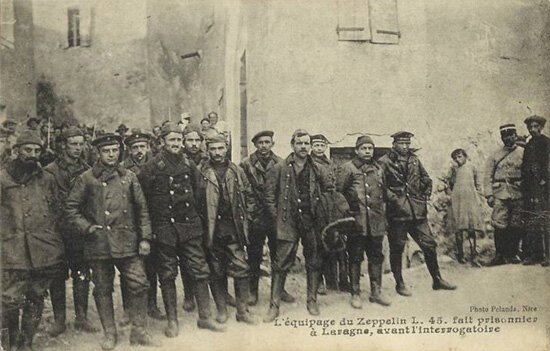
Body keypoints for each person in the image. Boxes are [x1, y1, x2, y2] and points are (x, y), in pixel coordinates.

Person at [65, 133, 157, 350]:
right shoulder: (87, 178)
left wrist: (144, 237)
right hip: (99, 242)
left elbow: (142, 209)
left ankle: (139, 330)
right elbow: (70, 208)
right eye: (106, 151)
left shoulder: (129, 177)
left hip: (128, 241)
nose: (111, 155)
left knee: (139, 284)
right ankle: (110, 333)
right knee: (103, 289)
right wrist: (87, 227)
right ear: (98, 153)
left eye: (115, 150)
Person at [138, 123, 225, 337]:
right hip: (164, 229)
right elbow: (144, 202)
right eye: (172, 140)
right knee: (167, 274)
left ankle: (205, 317)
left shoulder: (188, 164)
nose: (176, 144)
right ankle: (172, 321)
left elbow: (197, 193)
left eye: (179, 140)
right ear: (163, 143)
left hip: (189, 227)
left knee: (200, 270)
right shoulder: (150, 167)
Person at [1, 130, 64, 351]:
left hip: (41, 250)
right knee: (9, 300)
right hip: (11, 250)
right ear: (16, 151)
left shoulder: (47, 179)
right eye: (28, 150)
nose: (33, 155)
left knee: (36, 296)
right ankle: (9, 342)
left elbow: (57, 211)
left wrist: (49, 239)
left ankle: (26, 342)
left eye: (37, 151)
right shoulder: (2, 178)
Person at [263, 129, 333, 322]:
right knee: (281, 263)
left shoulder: (317, 168)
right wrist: (278, 217)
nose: (304, 147)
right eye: (300, 143)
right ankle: (274, 305)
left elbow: (328, 191)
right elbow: (268, 197)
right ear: (292, 145)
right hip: (288, 221)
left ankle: (312, 300)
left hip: (311, 221)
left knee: (314, 259)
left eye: (307, 144)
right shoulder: (279, 167)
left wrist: (322, 213)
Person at [378, 131, 456, 296]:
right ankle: (399, 283)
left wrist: (423, 195)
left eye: (407, 143)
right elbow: (380, 186)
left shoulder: (414, 159)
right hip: (397, 214)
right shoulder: (384, 162)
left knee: (429, 245)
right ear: (394, 144)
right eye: (402, 143)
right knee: (397, 249)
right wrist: (394, 199)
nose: (405, 146)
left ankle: (437, 280)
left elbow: (426, 179)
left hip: (417, 213)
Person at [45, 126, 99, 337]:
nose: (78, 148)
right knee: (57, 275)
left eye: (80, 144)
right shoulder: (49, 171)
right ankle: (59, 320)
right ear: (63, 146)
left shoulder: (88, 170)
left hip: (79, 232)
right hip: (58, 232)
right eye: (73, 144)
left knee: (82, 273)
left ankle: (82, 317)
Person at [199, 134, 258, 325]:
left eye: (220, 148)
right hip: (212, 230)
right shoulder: (201, 172)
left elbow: (249, 195)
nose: (217, 153)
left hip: (234, 230)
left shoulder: (237, 170)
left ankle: (242, 311)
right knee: (216, 270)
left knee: (241, 268)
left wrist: (246, 218)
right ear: (208, 150)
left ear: (226, 148)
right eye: (213, 149)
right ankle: (221, 309)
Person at [240, 130, 296, 306]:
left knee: (278, 255)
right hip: (255, 216)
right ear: (255, 145)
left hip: (275, 216)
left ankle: (280, 289)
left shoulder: (281, 163)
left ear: (272, 143)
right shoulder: (246, 165)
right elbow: (244, 190)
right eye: (260, 143)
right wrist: (249, 213)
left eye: (267, 142)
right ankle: (252, 291)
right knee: (254, 255)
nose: (264, 146)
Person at [337, 135, 391, 309]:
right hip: (357, 222)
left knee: (376, 256)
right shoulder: (348, 168)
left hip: (375, 221)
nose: (368, 151)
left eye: (370, 148)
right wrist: (347, 215)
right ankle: (355, 293)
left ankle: (376, 292)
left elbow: (382, 193)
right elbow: (338, 194)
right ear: (356, 150)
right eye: (364, 148)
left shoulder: (378, 168)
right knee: (355, 257)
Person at [121, 129, 165, 320]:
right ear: (129, 150)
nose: (139, 150)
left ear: (148, 147)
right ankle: (128, 309)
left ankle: (152, 305)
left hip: (151, 222)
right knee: (128, 267)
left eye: (142, 146)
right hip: (129, 223)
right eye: (135, 147)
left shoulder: (156, 165)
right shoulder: (122, 168)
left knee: (152, 266)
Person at [310, 134, 349, 294]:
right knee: (318, 244)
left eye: (322, 145)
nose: (319, 148)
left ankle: (338, 280)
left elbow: (337, 184)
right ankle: (318, 281)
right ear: (312, 147)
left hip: (332, 205)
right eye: (316, 145)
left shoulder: (330, 163)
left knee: (336, 240)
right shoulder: (309, 163)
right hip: (318, 205)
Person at [483, 124, 524, 265]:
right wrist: (489, 194)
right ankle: (499, 255)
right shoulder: (495, 155)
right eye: (504, 136)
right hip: (500, 192)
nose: (508, 138)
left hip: (518, 192)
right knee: (499, 224)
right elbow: (488, 175)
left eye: (510, 135)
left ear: (515, 135)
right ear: (502, 138)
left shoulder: (523, 153)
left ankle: (513, 254)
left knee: (516, 224)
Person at [445, 149, 484, 267]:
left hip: (471, 200)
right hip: (458, 200)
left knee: (471, 227)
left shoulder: (472, 167)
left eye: (460, 156)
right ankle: (461, 254)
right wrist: (450, 195)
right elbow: (448, 183)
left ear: (465, 156)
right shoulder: (454, 169)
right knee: (459, 228)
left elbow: (477, 183)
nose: (458, 159)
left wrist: (479, 197)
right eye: (455, 158)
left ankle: (474, 255)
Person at [521, 115, 550, 266]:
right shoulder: (529, 144)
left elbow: (547, 164)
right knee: (532, 221)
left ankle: (549, 256)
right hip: (530, 188)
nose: (532, 129)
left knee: (545, 220)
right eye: (530, 127)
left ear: (541, 127)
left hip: (544, 187)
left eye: (535, 126)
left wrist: (544, 180)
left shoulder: (546, 143)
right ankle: (536, 255)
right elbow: (525, 166)